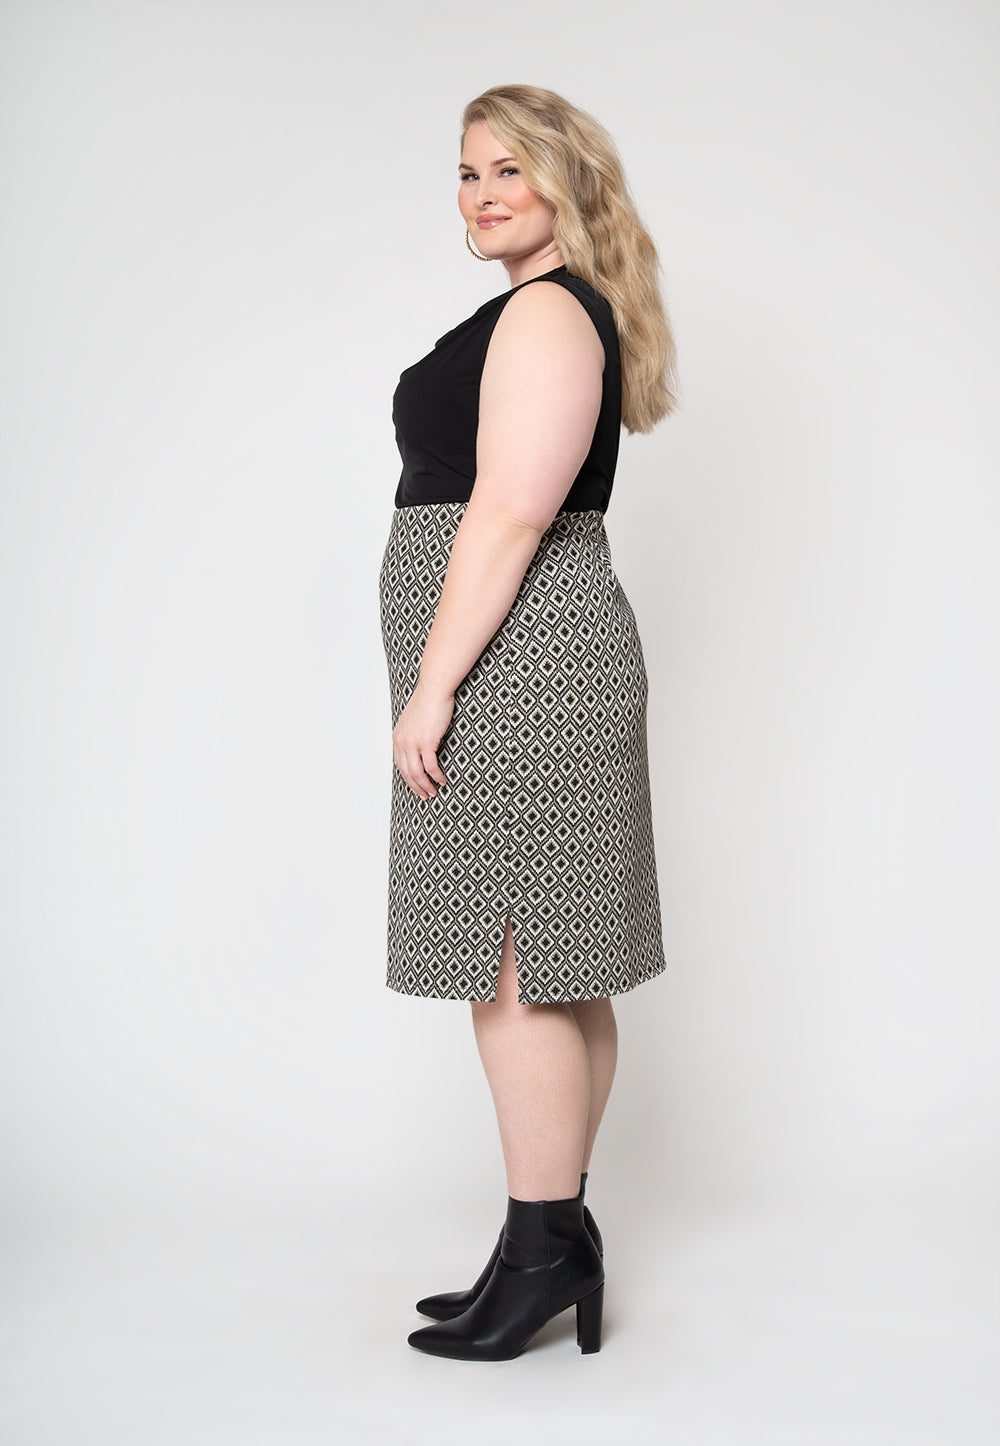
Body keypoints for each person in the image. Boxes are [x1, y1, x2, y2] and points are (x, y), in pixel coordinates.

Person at [379, 84, 679, 1361]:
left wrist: (434, 682)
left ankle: (545, 1245)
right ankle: (544, 1241)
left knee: (514, 959)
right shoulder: (543, 308)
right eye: (468, 171)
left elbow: (509, 512)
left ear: (568, 182)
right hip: (524, 653)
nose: (484, 192)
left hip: (518, 662)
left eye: (511, 168)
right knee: (550, 958)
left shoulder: (550, 314)